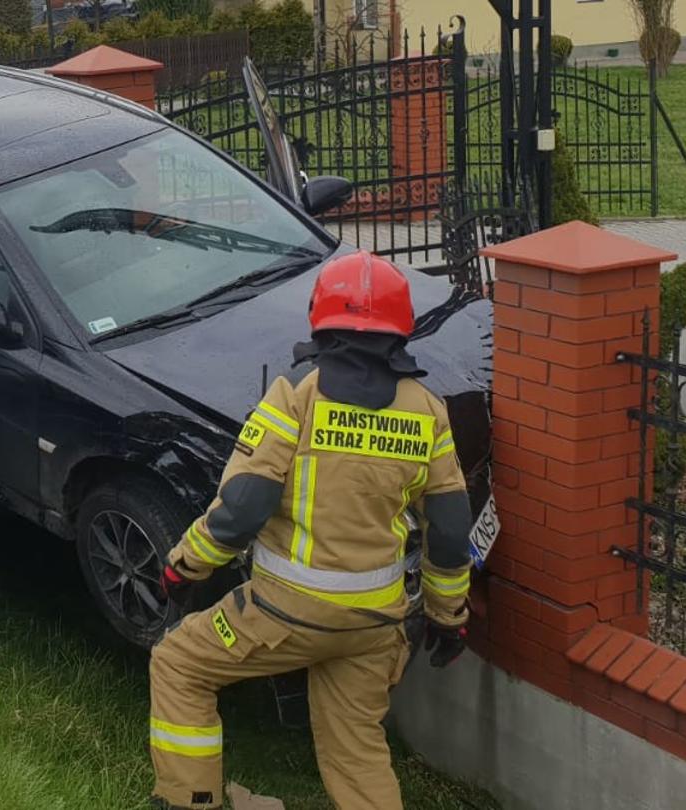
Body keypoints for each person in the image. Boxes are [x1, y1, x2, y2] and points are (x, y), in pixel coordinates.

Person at [144, 252, 475, 810]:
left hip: (282, 614)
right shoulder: (428, 411)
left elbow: (243, 508)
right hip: (375, 624)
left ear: (319, 319)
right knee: (357, 749)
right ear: (401, 328)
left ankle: (187, 801)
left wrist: (184, 565)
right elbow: (448, 530)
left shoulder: (296, 395)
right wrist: (449, 619)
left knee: (179, 664)